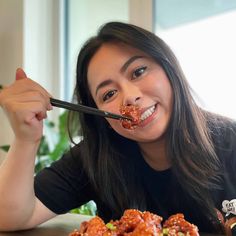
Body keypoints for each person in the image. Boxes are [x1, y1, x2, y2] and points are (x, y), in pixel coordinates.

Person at [0, 21, 235, 234]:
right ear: (101, 116)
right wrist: (25, 139)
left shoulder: (230, 142)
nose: (130, 97)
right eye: (109, 93)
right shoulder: (97, 156)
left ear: (169, 69)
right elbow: (9, 216)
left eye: (139, 71)